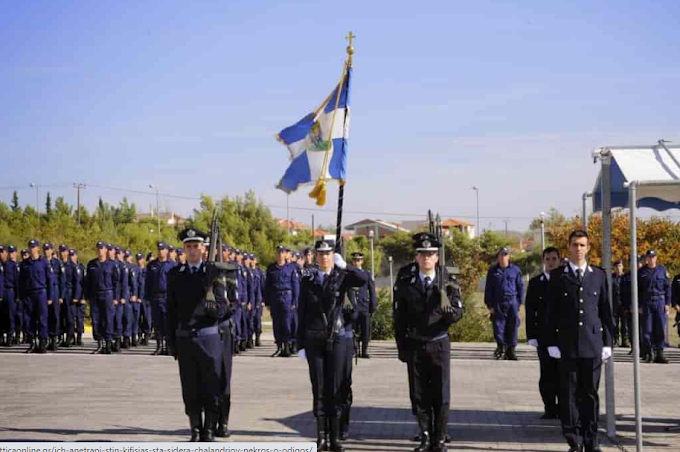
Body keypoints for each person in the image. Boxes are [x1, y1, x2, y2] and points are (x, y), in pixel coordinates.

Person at [393, 232, 463, 452]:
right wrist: (401, 347)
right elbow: (399, 318)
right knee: (419, 393)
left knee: (441, 394)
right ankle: (424, 436)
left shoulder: (448, 282)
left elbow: (458, 314)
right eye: (422, 254)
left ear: (437, 258)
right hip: (415, 344)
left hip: (439, 343)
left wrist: (447, 310)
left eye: (430, 254)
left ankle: (439, 438)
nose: (426, 258)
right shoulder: (406, 282)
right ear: (417, 257)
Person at [545, 230, 613, 452]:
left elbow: (605, 311)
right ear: (569, 247)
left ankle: (592, 440)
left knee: (590, 396)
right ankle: (574, 440)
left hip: (592, 345)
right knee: (569, 395)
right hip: (567, 346)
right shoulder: (558, 277)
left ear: (588, 248)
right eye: (575, 245)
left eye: (583, 245)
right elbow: (550, 313)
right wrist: (551, 343)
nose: (579, 249)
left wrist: (607, 343)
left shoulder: (598, 276)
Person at [297, 240, 368, 452]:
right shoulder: (309, 280)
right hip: (314, 339)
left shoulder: (342, 276)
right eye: (321, 254)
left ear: (333, 255)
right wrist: (300, 343)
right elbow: (301, 312)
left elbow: (363, 279)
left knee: (335, 388)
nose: (324, 257)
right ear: (316, 257)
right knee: (318, 388)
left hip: (336, 339)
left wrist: (346, 266)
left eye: (328, 253)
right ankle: (321, 437)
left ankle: (335, 437)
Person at [167, 228, 231, 442]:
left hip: (209, 336)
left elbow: (224, 308)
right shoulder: (175, 275)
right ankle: (195, 429)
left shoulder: (213, 273)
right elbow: (171, 310)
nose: (193, 250)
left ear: (204, 249)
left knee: (211, 385)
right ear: (184, 249)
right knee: (190, 385)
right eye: (189, 246)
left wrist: (212, 304)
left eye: (196, 246)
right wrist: (171, 341)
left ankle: (209, 429)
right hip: (185, 338)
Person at [525, 246, 561, 419]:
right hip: (544, 336)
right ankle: (549, 407)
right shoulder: (536, 282)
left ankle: (564, 407)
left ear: (559, 261)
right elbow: (531, 311)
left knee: (563, 373)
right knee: (546, 374)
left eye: (554, 259)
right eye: (548, 259)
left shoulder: (566, 281)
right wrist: (531, 335)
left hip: (563, 335)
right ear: (543, 261)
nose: (551, 262)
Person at [484, 247, 524, 360]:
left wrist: (520, 302)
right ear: (498, 257)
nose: (503, 257)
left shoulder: (515, 270)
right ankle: (501, 348)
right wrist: (490, 305)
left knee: (513, 325)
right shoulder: (492, 271)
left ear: (509, 256)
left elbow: (520, 286)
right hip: (497, 301)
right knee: (498, 326)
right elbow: (488, 289)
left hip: (512, 301)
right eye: (501, 255)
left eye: (505, 255)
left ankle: (511, 350)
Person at [20, 240, 57, 353]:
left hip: (41, 293)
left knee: (42, 319)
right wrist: (20, 296)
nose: (32, 249)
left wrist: (50, 297)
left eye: (34, 247)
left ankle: (42, 343)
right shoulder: (24, 263)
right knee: (29, 319)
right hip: (28, 295)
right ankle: (32, 343)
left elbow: (50, 280)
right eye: (30, 247)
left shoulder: (44, 262)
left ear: (38, 249)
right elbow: (20, 282)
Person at [85, 241, 119, 354]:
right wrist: (87, 296)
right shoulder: (91, 264)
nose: (100, 250)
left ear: (106, 250)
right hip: (95, 295)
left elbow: (116, 282)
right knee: (96, 319)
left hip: (108, 294)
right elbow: (87, 282)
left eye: (102, 248)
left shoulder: (112, 264)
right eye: (98, 248)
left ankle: (108, 344)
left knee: (108, 319)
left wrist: (116, 297)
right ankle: (100, 344)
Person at [265, 245, 299, 357]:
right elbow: (267, 286)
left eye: (282, 252)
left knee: (287, 323)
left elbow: (295, 286)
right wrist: (267, 302)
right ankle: (279, 347)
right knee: (277, 323)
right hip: (275, 297)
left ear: (285, 254)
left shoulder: (291, 268)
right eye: (278, 252)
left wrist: (295, 301)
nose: (280, 254)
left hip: (287, 297)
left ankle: (287, 346)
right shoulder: (271, 268)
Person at [638, 250, 671, 364]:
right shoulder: (642, 272)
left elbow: (667, 288)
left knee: (660, 328)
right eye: (649, 257)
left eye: (653, 257)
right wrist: (639, 305)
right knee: (647, 329)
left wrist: (667, 303)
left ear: (656, 258)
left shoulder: (662, 270)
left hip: (660, 302)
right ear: (646, 258)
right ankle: (649, 353)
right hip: (647, 303)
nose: (651, 259)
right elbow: (638, 290)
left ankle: (659, 354)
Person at [146, 241, 177, 355]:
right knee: (157, 323)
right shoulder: (152, 265)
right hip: (155, 297)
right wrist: (146, 297)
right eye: (159, 249)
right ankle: (159, 346)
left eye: (163, 249)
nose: (160, 251)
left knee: (167, 322)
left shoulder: (172, 265)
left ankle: (168, 346)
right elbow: (147, 283)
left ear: (167, 251)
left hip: (167, 297)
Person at [347, 252, 377, 359]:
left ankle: (364, 351)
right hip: (352, 305)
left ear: (362, 261)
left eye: (359, 260)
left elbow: (372, 291)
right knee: (353, 329)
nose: (356, 262)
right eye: (355, 260)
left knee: (365, 330)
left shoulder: (367, 274)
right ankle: (354, 349)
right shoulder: (348, 274)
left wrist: (372, 305)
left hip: (364, 305)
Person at [1, 246, 19, 346]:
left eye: (2, 252)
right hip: (1, 292)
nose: (1, 254)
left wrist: (18, 295)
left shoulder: (11, 265)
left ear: (6, 253)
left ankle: (9, 336)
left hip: (10, 291)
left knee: (10, 315)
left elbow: (17, 281)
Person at [68, 249, 86, 346]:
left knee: (80, 319)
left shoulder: (81, 267)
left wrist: (83, 297)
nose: (71, 257)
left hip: (80, 297)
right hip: (71, 296)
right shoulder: (67, 267)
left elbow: (85, 283)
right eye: (70, 255)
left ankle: (79, 338)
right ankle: (71, 337)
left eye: (73, 255)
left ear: (76, 256)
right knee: (70, 318)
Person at [611, 260, 629, 348]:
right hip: (614, 302)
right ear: (614, 268)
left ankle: (625, 340)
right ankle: (616, 340)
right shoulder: (611, 277)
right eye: (616, 266)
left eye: (620, 266)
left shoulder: (626, 277)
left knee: (624, 323)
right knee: (614, 322)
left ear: (622, 267)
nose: (618, 268)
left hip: (624, 302)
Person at [135, 253, 149, 345]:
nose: (139, 260)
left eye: (140, 259)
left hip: (146, 297)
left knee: (147, 317)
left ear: (143, 259)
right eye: (137, 259)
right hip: (137, 297)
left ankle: (147, 336)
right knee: (138, 318)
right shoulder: (134, 270)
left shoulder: (148, 271)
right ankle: (139, 335)